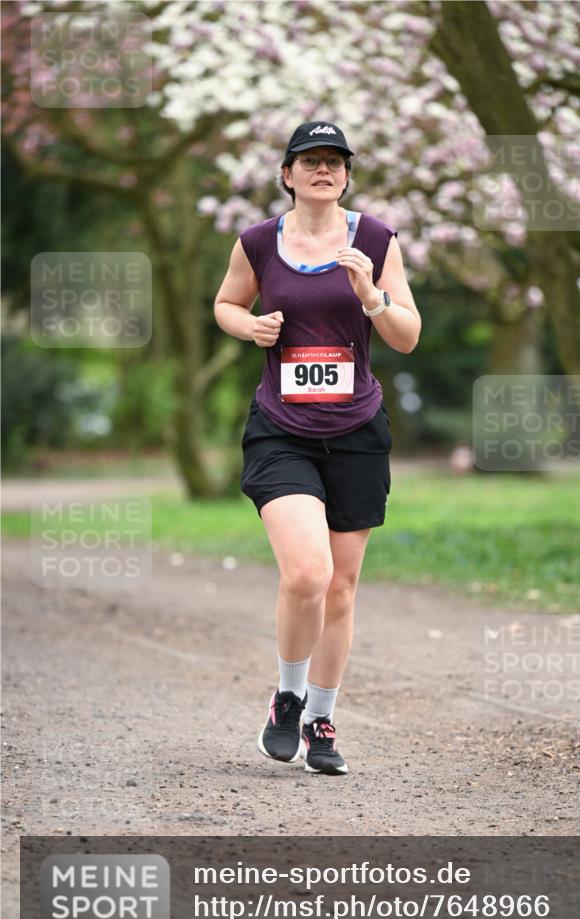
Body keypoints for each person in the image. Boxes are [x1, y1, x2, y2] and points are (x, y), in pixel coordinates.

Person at [214, 120, 420, 775]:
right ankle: (286, 697)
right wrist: (249, 325)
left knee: (340, 589)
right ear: (287, 174)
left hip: (356, 432)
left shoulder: (376, 240)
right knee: (307, 573)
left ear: (346, 174)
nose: (322, 170)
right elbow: (224, 302)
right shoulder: (258, 243)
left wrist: (372, 297)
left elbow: (407, 335)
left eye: (334, 161)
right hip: (282, 430)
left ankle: (321, 720)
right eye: (310, 161)